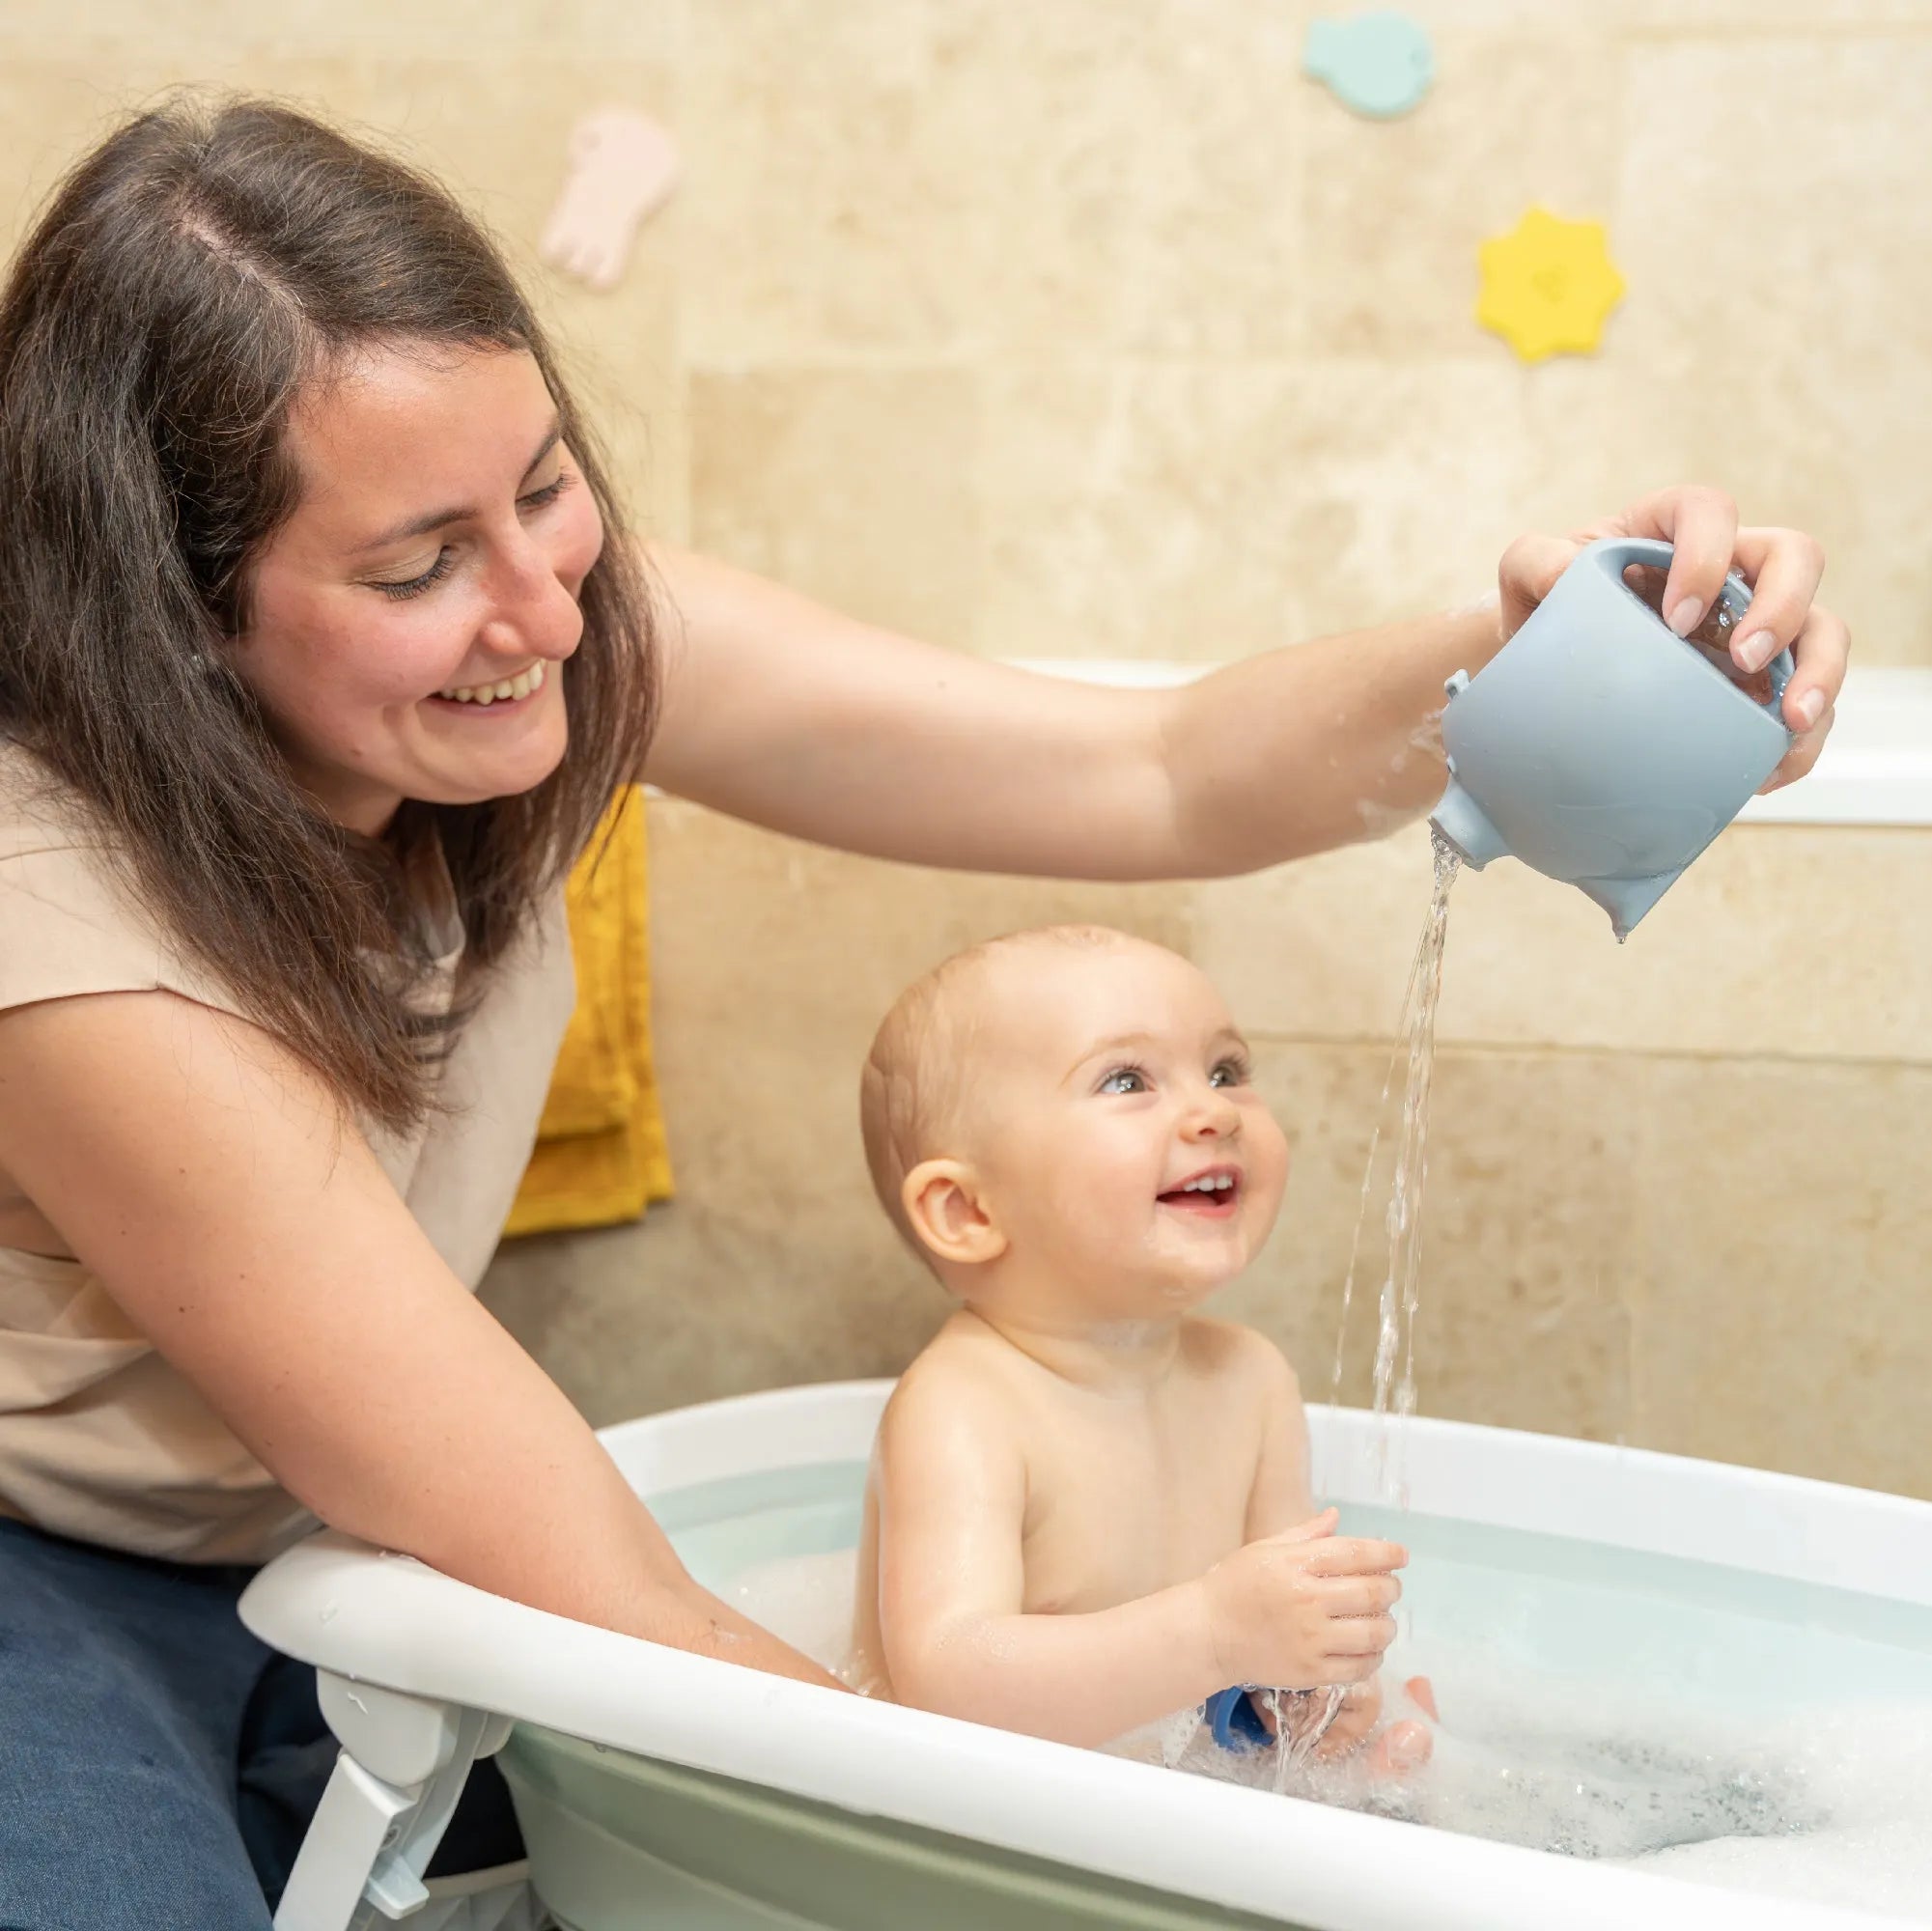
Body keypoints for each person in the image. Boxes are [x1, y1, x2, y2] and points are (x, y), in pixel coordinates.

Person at [0, 94, 1847, 1931]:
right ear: (173, 621)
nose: (548, 615)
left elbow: (1157, 771)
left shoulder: (565, 627)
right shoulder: (65, 928)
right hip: (49, 1578)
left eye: (548, 486)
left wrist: (1531, 652)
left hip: (322, 1547)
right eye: (419, 568)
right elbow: (604, 1586)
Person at [851, 924, 1432, 1774]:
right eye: (1126, 1080)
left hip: (1150, 1792)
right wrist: (1214, 1631)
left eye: (1226, 1070)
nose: (1216, 1111)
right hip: (958, 1804)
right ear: (968, 1212)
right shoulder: (963, 1405)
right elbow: (947, 1685)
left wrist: (1313, 1695)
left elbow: (1273, 1629)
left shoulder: (1250, 1377)